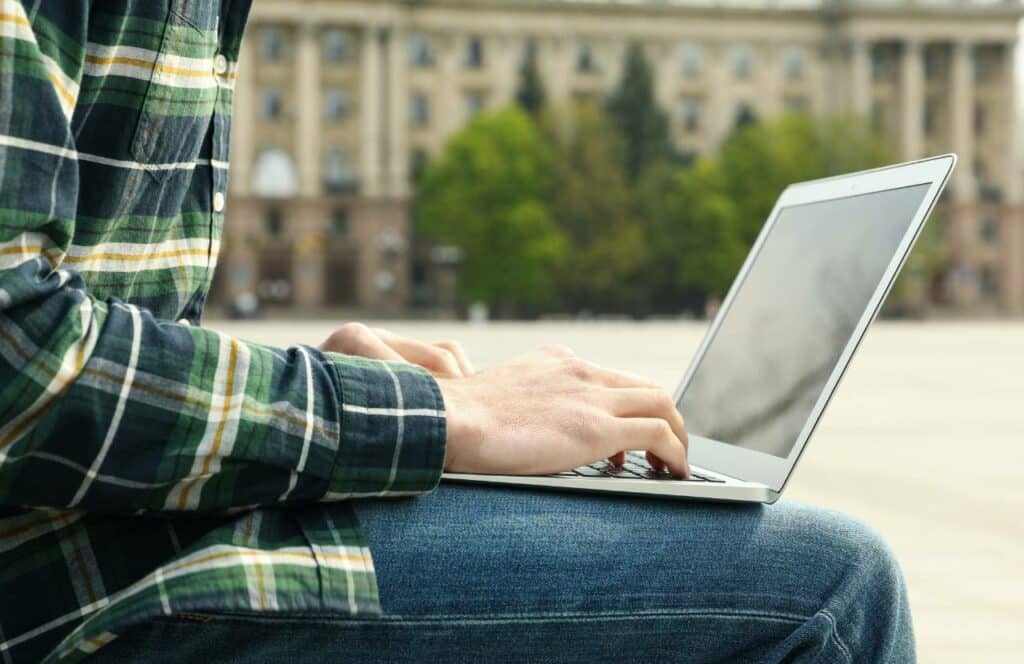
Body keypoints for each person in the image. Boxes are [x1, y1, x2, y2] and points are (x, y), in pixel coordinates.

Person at [0, 2, 914, 662]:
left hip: (131, 527)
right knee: (837, 588)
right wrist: (431, 414)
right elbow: (22, 360)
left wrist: (312, 381)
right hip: (76, 590)